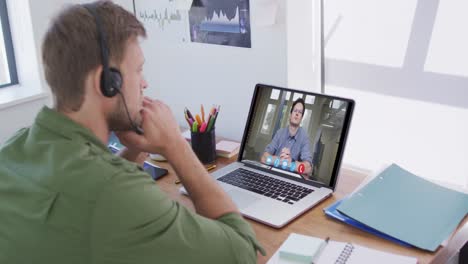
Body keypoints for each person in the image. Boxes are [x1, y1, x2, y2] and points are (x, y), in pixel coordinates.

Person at [0, 1, 263, 263]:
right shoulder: (115, 194)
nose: (145, 82)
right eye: (138, 70)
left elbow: (89, 187)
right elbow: (244, 251)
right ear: (107, 82)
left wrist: (137, 147)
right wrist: (175, 145)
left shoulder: (13, 151)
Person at [260, 98, 313, 176]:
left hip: (291, 178)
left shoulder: (304, 137)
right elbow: (264, 158)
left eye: (300, 112)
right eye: (295, 111)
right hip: (273, 175)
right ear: (290, 114)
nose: (297, 114)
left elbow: (308, 168)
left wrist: (290, 163)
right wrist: (280, 160)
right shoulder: (279, 133)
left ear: (301, 117)